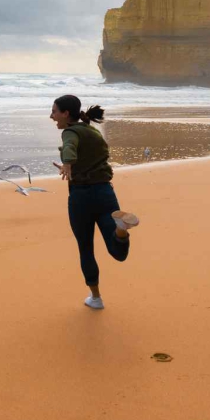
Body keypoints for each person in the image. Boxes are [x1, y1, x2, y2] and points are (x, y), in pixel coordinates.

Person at [51, 94, 137, 310]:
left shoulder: (70, 132)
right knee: (118, 253)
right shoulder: (92, 131)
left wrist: (68, 163)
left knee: (85, 248)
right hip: (105, 193)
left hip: (81, 197)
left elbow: (70, 146)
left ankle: (96, 298)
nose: (51, 116)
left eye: (54, 111)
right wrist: (70, 163)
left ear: (65, 113)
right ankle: (121, 230)